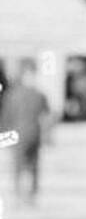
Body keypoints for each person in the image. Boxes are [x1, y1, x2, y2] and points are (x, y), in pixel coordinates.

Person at [1, 58, 52, 206]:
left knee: (19, 166)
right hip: (33, 134)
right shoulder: (39, 94)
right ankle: (30, 196)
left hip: (18, 135)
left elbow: (5, 117)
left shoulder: (12, 95)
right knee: (33, 166)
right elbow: (48, 115)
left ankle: (20, 195)